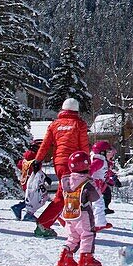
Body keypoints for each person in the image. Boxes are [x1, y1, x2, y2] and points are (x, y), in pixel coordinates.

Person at [34, 98, 89, 238]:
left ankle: (60, 219)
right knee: (64, 196)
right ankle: (43, 224)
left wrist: (38, 159)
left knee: (65, 194)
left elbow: (45, 145)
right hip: (74, 164)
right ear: (76, 110)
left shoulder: (54, 125)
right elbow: (84, 146)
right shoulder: (79, 124)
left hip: (58, 163)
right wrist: (87, 164)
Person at [56, 151, 102, 266]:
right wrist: (97, 185)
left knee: (73, 236)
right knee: (88, 234)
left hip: (68, 213)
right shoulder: (86, 183)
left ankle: (65, 257)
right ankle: (86, 257)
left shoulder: (66, 181)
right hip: (83, 213)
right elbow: (96, 196)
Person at [89, 140, 117, 228]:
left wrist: (111, 180)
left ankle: (93, 221)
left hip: (98, 185)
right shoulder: (99, 161)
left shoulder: (102, 161)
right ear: (102, 152)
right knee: (99, 204)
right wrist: (86, 178)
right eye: (109, 151)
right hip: (95, 185)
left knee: (94, 204)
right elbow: (90, 170)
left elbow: (105, 172)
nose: (111, 154)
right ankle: (99, 223)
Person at [10, 149, 39, 220]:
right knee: (33, 198)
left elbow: (20, 165)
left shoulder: (24, 161)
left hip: (26, 181)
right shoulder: (32, 161)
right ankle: (26, 213)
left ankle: (20, 208)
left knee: (31, 198)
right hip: (30, 182)